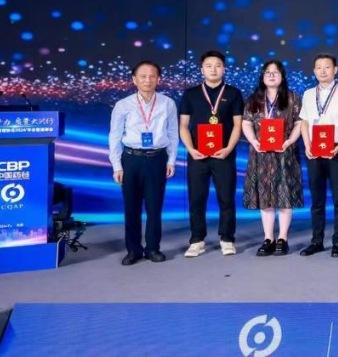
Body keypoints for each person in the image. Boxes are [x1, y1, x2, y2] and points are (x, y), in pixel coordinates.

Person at [108, 60, 178, 265]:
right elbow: (114, 136)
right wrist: (117, 166)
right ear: (134, 79)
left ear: (158, 79)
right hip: (131, 159)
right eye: (143, 76)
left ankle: (153, 248)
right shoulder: (123, 105)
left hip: (157, 159)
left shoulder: (168, 103)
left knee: (154, 206)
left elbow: (173, 133)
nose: (147, 80)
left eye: (152, 76)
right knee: (131, 207)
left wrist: (171, 160)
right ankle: (133, 250)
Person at [179, 51, 244, 258]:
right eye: (208, 65)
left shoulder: (233, 93)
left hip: (224, 155)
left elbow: (237, 125)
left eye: (217, 65)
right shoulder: (191, 94)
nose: (213, 69)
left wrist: (228, 148)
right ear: (202, 69)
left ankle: (227, 238)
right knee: (197, 199)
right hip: (198, 155)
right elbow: (183, 126)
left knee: (226, 198)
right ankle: (197, 240)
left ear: (224, 69)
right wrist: (191, 149)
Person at [241, 60, 304, 257]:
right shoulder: (254, 99)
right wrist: (254, 141)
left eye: (275, 72)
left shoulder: (293, 98)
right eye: (267, 72)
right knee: (265, 197)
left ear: (282, 77)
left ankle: (283, 238)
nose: (271, 75)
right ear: (262, 76)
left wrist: (290, 141)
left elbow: (300, 123)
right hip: (261, 154)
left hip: (285, 153)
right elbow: (246, 123)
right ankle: (268, 238)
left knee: (285, 196)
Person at [299, 53, 338, 257]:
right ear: (314, 71)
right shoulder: (308, 94)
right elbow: (304, 122)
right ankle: (317, 241)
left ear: (335, 69)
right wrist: (307, 145)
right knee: (317, 199)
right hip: (314, 150)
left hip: (336, 149)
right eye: (319, 67)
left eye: (327, 67)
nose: (323, 71)